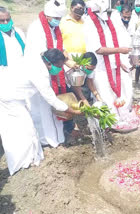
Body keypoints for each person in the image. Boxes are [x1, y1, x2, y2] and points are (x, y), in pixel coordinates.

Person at [0, 48, 81, 175]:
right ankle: (22, 163)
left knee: (23, 128)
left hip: (12, 93)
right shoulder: (39, 73)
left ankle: (27, 159)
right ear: (49, 64)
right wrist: (75, 111)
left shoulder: (38, 59)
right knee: (23, 129)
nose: (59, 69)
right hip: (8, 97)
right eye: (58, 66)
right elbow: (52, 100)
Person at [24, 0, 78, 147]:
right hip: (40, 69)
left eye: (60, 19)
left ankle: (58, 137)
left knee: (52, 107)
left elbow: (59, 48)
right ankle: (47, 140)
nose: (58, 21)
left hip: (51, 66)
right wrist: (64, 62)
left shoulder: (54, 28)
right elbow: (45, 53)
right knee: (43, 109)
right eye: (56, 19)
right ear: (47, 16)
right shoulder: (36, 28)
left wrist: (68, 59)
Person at [84, 0, 132, 118]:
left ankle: (120, 118)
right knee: (106, 96)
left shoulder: (104, 21)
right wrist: (120, 50)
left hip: (112, 64)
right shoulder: (89, 23)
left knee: (116, 94)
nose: (108, 14)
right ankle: (111, 122)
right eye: (106, 11)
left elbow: (111, 42)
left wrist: (118, 60)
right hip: (100, 67)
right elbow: (98, 49)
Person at [0, 7, 25, 72]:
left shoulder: (19, 32)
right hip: (4, 75)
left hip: (23, 72)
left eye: (8, 19)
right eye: (2, 20)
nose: (6, 22)